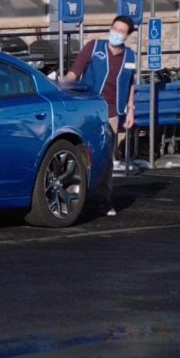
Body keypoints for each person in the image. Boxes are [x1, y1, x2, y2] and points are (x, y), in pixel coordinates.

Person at [62, 15, 137, 216]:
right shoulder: (94, 47)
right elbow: (75, 72)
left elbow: (131, 83)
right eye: (115, 28)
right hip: (89, 109)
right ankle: (75, 194)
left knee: (106, 157)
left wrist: (131, 108)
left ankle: (103, 199)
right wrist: (63, 86)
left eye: (121, 31)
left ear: (128, 35)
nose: (116, 33)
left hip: (112, 112)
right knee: (82, 153)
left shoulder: (130, 57)